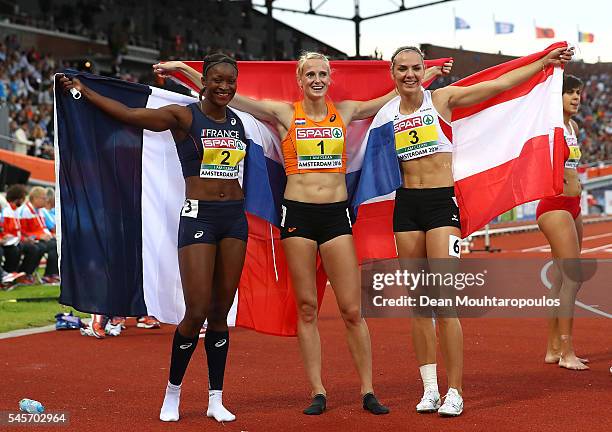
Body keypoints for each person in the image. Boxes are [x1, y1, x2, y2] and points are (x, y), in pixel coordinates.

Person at [153, 53, 450, 415]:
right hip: (298, 217)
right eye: (310, 73)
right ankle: (318, 391)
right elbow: (237, 97)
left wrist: (429, 74)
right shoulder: (284, 114)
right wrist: (186, 71)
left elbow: (392, 96)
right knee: (307, 307)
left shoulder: (346, 109)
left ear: (331, 78)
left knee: (352, 309)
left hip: (336, 217)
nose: (317, 79)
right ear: (299, 78)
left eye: (323, 73)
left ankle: (368, 391)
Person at [60, 52, 249, 423]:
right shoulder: (183, 116)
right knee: (195, 312)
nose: (225, 86)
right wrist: (85, 91)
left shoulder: (238, 122)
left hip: (234, 220)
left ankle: (215, 398)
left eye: (231, 81)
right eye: (217, 80)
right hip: (200, 218)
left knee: (220, 314)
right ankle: (173, 393)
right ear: (203, 83)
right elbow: (129, 116)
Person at [388, 45, 574, 417]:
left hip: (442, 205)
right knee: (420, 306)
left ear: (424, 71)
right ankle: (429, 389)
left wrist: (542, 63)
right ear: (392, 73)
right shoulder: (386, 113)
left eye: (415, 68)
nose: (409, 74)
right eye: (402, 68)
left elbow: (498, 85)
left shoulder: (441, 98)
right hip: (405, 207)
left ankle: (454, 390)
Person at [536, 74, 588, 371]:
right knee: (573, 278)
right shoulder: (551, 126)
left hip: (574, 205)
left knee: (559, 278)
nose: (576, 97)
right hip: (554, 205)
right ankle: (567, 352)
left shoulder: (573, 127)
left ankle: (553, 349)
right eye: (569, 92)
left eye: (578, 93)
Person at [1, 184, 44, 285]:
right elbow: (5, 230)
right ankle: (10, 273)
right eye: (23, 198)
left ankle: (24, 273)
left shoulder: (14, 211)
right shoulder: (7, 211)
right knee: (16, 249)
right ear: (18, 199)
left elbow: (19, 231)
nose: (24, 201)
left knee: (34, 248)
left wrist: (26, 238)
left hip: (16, 240)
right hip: (8, 241)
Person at [17, 186, 59, 284]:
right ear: (35, 198)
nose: (46, 201)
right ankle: (26, 273)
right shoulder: (25, 211)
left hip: (40, 239)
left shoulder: (40, 210)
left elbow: (42, 228)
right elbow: (22, 231)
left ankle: (50, 274)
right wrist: (38, 237)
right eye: (44, 198)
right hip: (29, 240)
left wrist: (49, 235)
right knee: (40, 247)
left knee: (57, 244)